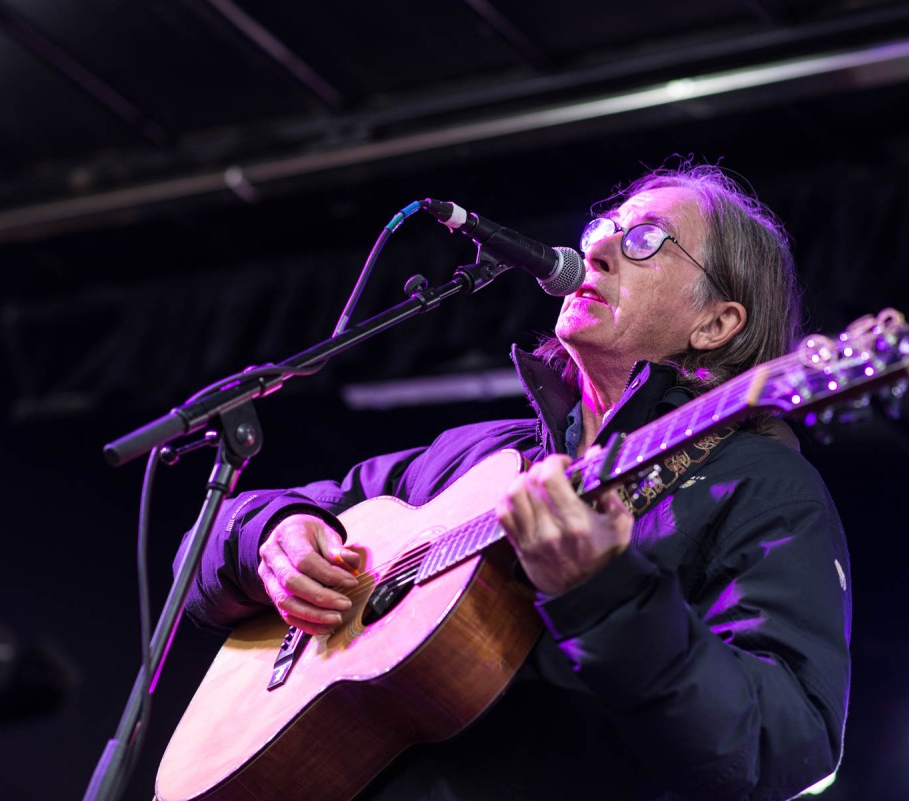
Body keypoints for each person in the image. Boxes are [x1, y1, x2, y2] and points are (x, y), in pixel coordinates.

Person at [181, 160, 852, 800]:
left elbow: (783, 742)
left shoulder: (763, 485)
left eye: (646, 239)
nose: (598, 249)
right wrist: (270, 536)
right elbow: (213, 545)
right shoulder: (480, 454)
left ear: (716, 323)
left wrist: (604, 592)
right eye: (604, 229)